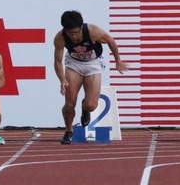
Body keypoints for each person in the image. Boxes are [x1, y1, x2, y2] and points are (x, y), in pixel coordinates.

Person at [53, 10, 128, 145]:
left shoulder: (93, 31)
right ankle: (69, 131)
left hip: (93, 63)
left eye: (76, 33)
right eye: (71, 34)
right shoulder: (60, 37)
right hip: (74, 65)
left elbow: (110, 41)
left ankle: (85, 107)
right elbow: (57, 61)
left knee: (91, 105)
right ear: (65, 30)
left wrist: (118, 61)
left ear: (81, 27)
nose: (74, 37)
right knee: (69, 103)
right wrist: (62, 79)